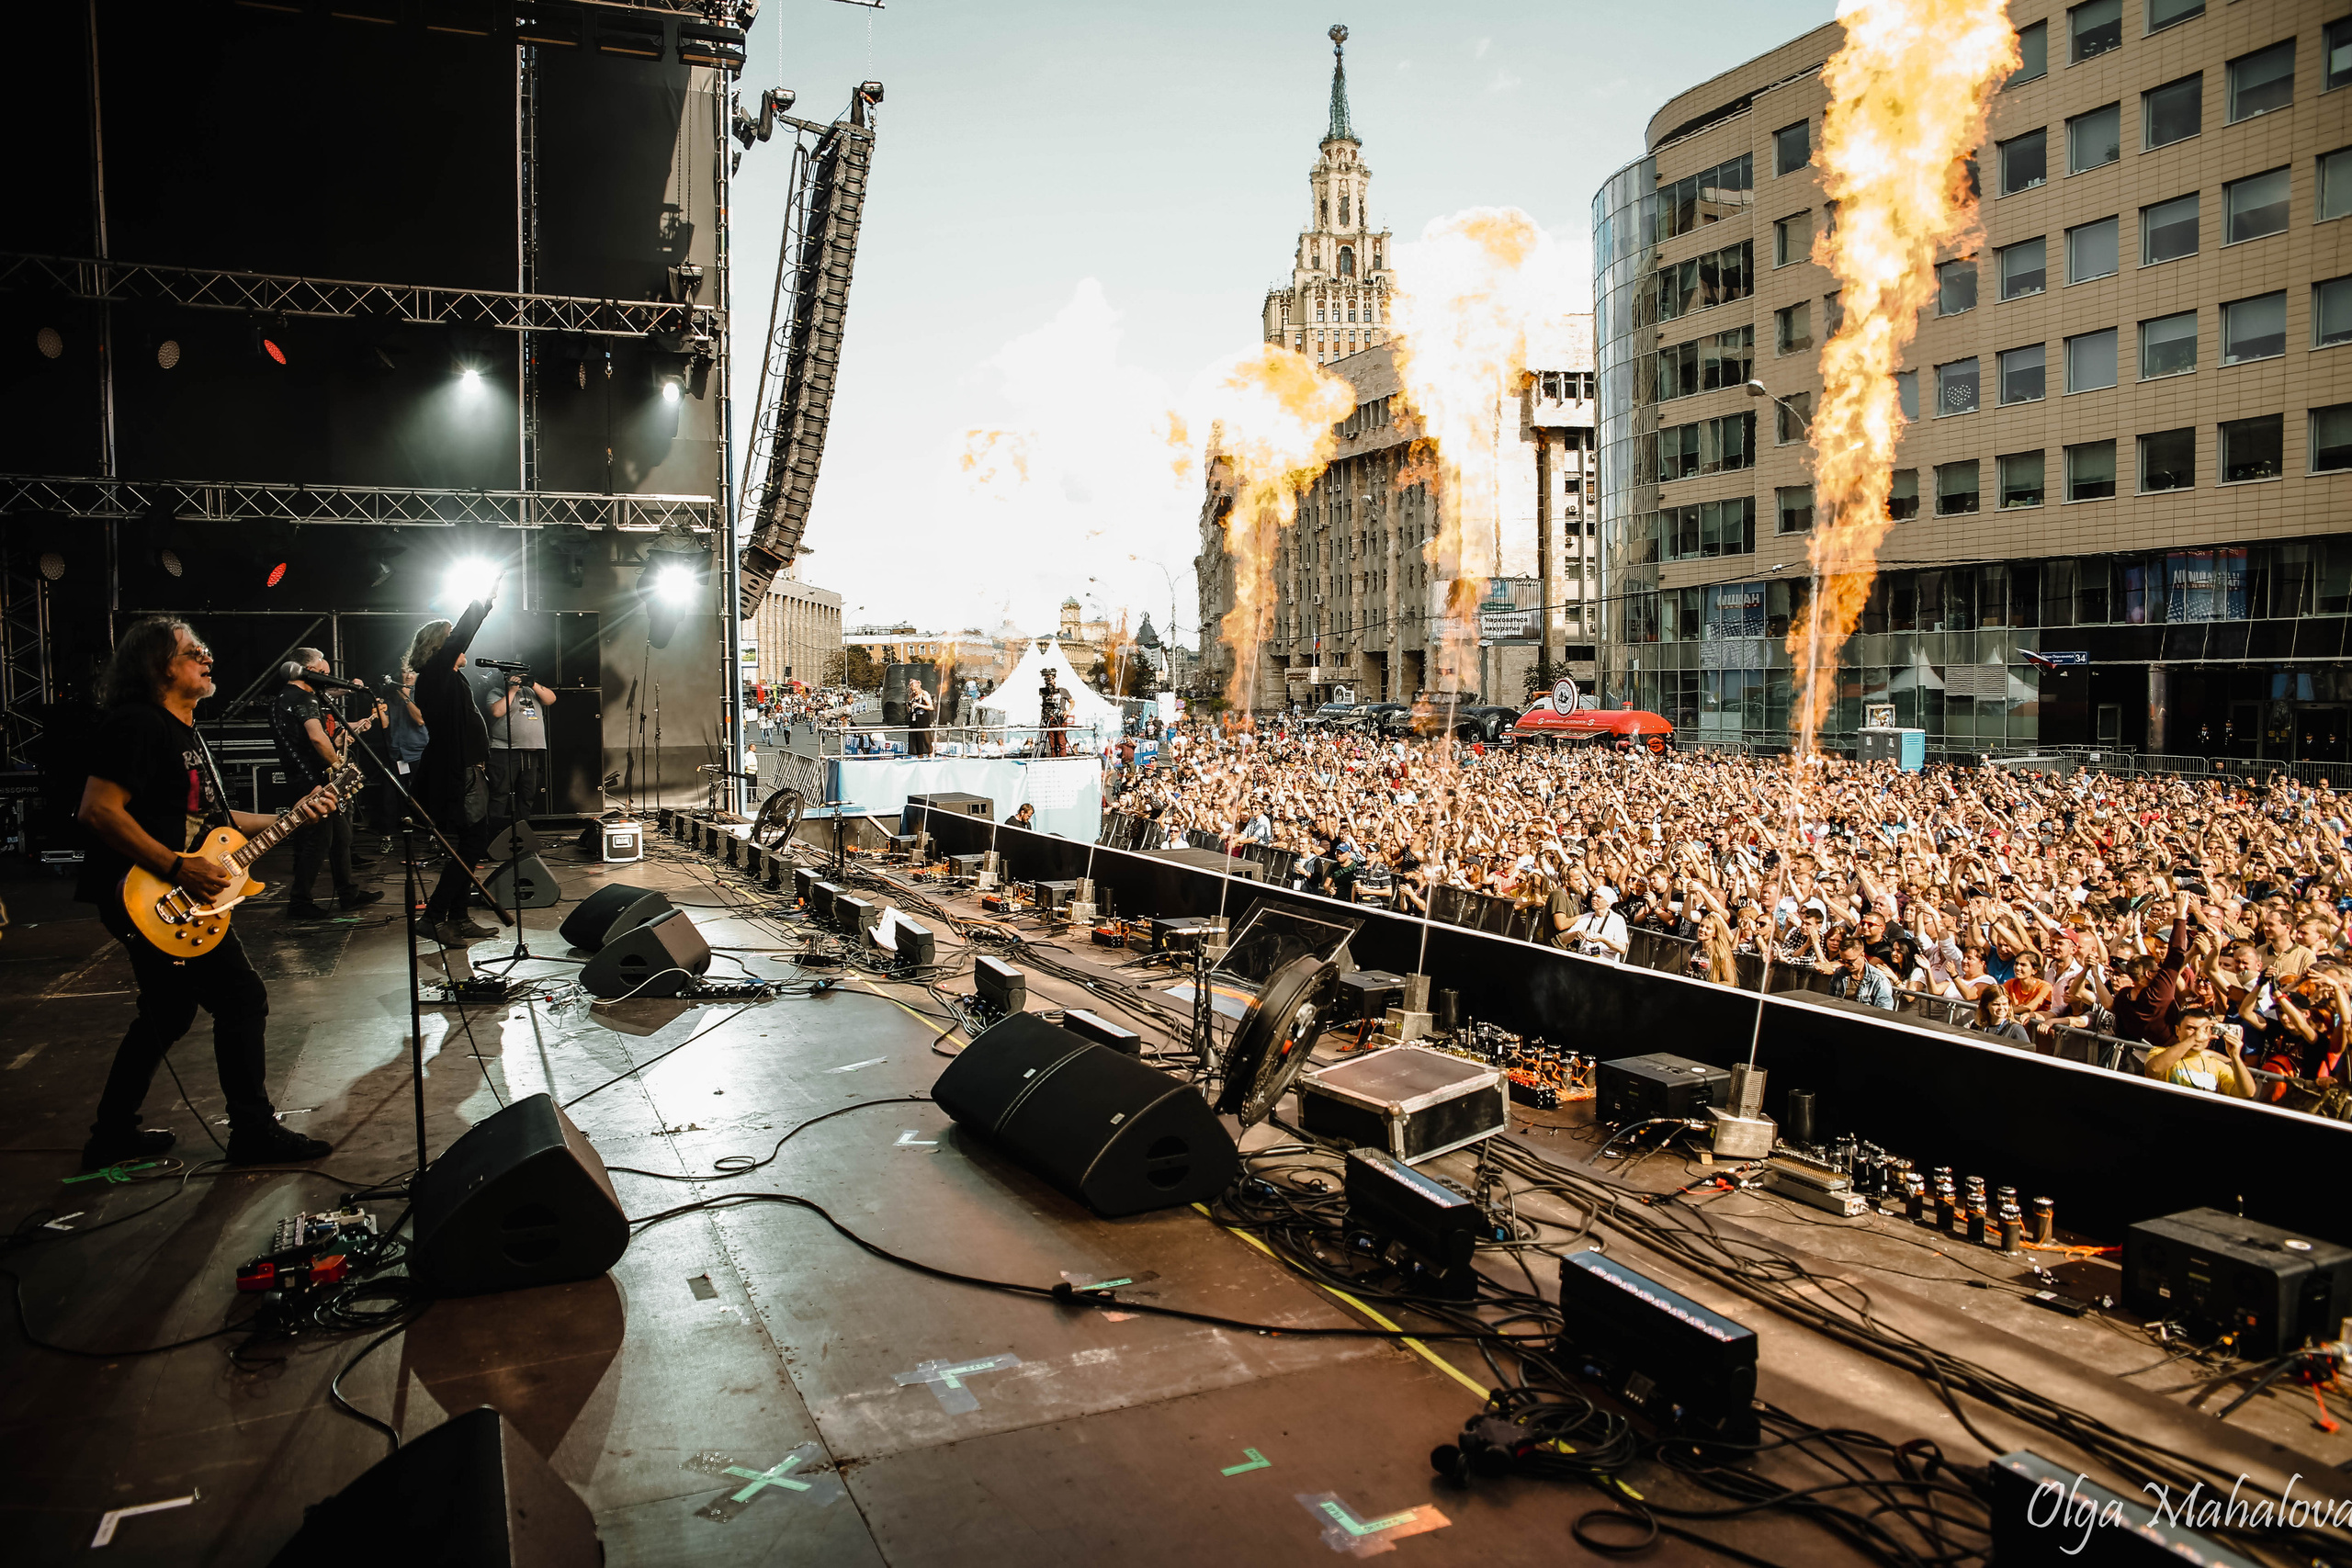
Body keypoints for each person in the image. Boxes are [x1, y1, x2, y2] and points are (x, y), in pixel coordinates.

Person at [73, 618, 337, 1169]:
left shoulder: (186, 732)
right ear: (159, 666)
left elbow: (217, 822)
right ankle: (252, 1132)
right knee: (241, 999)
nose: (207, 657)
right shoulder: (138, 724)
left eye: (206, 649)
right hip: (146, 893)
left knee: (167, 1012)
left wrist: (293, 817)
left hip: (173, 891)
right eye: (194, 651)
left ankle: (111, 1134)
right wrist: (176, 865)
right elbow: (98, 810)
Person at [410, 581, 501, 946]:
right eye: (452, 642)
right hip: (458, 771)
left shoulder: (446, 677)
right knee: (471, 843)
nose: (462, 647)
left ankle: (460, 918)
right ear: (441, 646)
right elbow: (463, 632)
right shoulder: (435, 674)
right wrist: (484, 600)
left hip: (467, 768)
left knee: (471, 842)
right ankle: (434, 916)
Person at [267, 648, 386, 920]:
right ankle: (299, 902)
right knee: (317, 843)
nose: (326, 678)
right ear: (308, 670)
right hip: (315, 782)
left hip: (303, 778)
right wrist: (338, 767)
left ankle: (348, 893)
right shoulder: (304, 699)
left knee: (341, 837)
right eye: (323, 673)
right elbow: (318, 739)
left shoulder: (281, 700)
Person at [483, 666, 556, 831]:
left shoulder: (532, 692)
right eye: (517, 676)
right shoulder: (496, 692)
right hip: (504, 751)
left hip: (531, 751)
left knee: (527, 796)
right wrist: (512, 690)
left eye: (523, 675)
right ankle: (492, 835)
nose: (521, 678)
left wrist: (533, 684)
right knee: (499, 794)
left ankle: (521, 834)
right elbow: (496, 711)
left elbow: (551, 699)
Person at [1564, 887, 1630, 963]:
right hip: (1583, 960)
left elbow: (1622, 949)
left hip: (1605, 963)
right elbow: (1564, 939)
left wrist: (1603, 939)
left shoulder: (1617, 920)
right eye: (1593, 896)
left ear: (1608, 903)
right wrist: (1574, 934)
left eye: (1599, 897)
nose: (1594, 899)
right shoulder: (1586, 917)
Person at [1830, 937, 1895, 1010]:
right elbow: (1830, 999)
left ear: (1862, 955)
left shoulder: (1879, 980)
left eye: (1850, 961)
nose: (1846, 965)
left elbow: (1884, 1010)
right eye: (1843, 961)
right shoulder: (1839, 973)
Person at [1039, 667, 1070, 758]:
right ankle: (1053, 759)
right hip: (1050, 720)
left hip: (1060, 720)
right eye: (1046, 679)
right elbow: (1044, 705)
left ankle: (1063, 760)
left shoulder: (1062, 691)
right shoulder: (1045, 692)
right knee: (1052, 746)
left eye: (1049, 678)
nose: (1048, 681)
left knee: (1061, 744)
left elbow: (1072, 701)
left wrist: (1067, 711)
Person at [907, 677, 935, 758]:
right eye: (912, 689)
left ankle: (931, 758)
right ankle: (920, 758)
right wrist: (908, 707)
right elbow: (909, 709)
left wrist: (919, 705)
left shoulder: (924, 694)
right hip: (914, 721)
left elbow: (931, 707)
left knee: (927, 742)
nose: (914, 691)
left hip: (923, 721)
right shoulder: (911, 696)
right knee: (917, 743)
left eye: (915, 689)